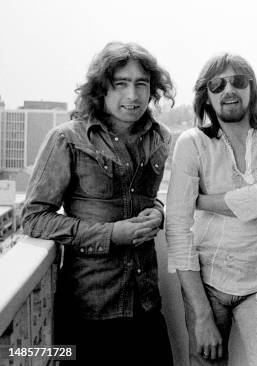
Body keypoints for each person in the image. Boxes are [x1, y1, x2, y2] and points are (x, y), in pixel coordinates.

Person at [21, 41, 175, 366]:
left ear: (152, 90)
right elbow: (34, 218)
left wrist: (158, 213)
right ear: (101, 88)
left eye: (141, 84)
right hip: (90, 310)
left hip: (146, 306)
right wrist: (111, 234)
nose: (132, 96)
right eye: (120, 84)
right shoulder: (67, 138)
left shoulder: (160, 138)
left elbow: (142, 200)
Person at [165, 53, 257, 365]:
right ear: (206, 96)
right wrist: (201, 317)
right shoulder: (192, 143)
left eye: (238, 81)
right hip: (207, 285)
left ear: (252, 88)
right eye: (217, 84)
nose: (229, 89)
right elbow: (177, 229)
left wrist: (198, 200)